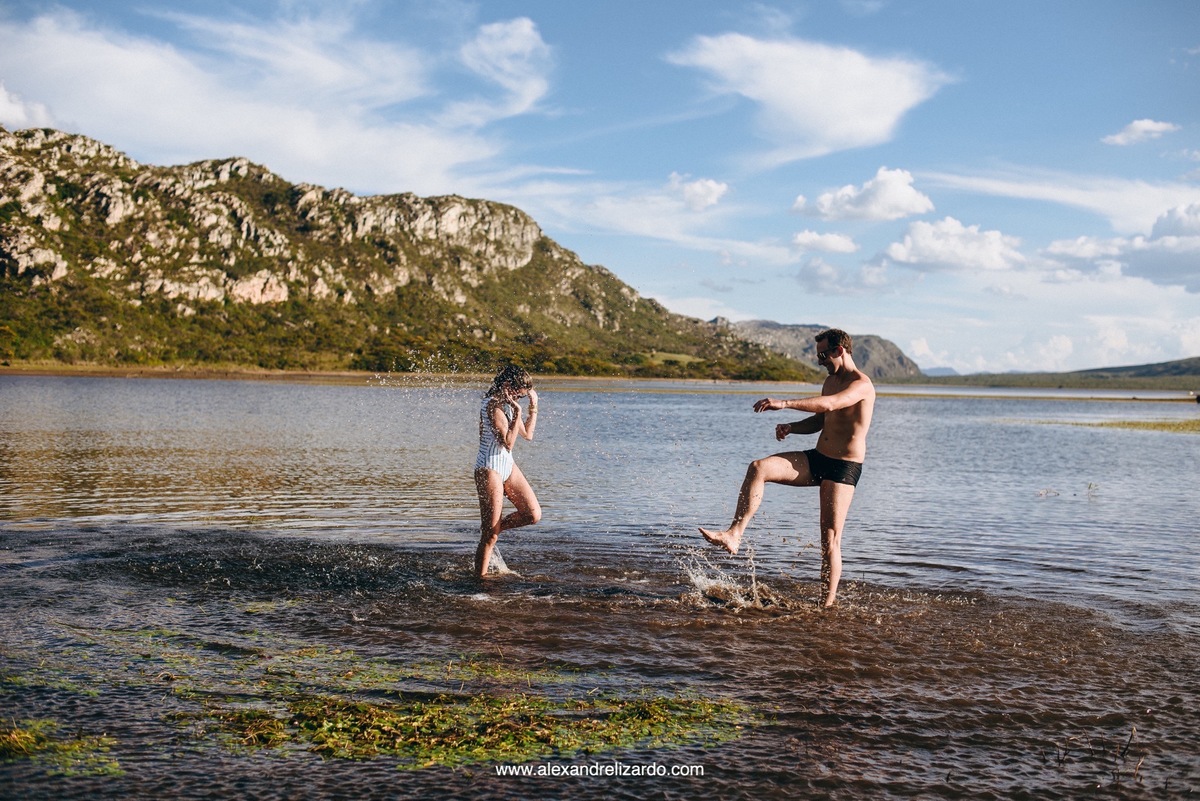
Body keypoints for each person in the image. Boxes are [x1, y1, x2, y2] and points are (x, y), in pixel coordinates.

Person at [699, 329, 875, 607]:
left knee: (829, 540)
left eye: (822, 355)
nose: (820, 361)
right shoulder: (830, 381)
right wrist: (792, 428)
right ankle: (734, 534)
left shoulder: (861, 384)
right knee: (759, 468)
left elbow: (832, 403)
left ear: (839, 350)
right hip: (817, 457)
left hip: (843, 467)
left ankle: (826, 606)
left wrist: (785, 404)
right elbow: (821, 420)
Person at [474, 364, 541, 578]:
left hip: (507, 465)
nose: (518, 400)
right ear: (506, 386)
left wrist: (533, 406)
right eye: (518, 395)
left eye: (522, 397)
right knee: (490, 537)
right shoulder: (493, 406)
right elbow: (508, 443)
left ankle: (492, 531)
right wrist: (518, 412)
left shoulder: (509, 404)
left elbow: (528, 435)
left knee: (532, 514)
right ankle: (479, 581)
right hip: (489, 467)